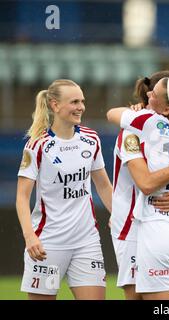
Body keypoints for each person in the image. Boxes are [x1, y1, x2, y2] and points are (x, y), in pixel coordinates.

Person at [107, 76, 169, 300]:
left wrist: (137, 112)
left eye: (154, 93)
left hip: (156, 227)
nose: (149, 94)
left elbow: (111, 113)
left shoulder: (143, 122)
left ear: (165, 107)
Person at [16, 79, 112, 300]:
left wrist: (119, 215)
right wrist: (30, 237)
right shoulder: (37, 145)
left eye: (82, 101)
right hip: (48, 245)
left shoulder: (91, 139)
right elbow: (22, 197)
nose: (81, 107)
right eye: (74, 102)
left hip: (86, 241)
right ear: (54, 105)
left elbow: (103, 185)